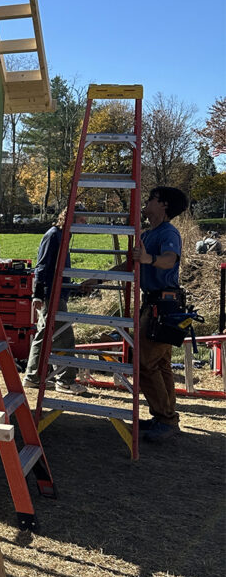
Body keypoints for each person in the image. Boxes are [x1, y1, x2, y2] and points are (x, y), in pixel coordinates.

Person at [127, 186, 189, 443]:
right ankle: (164, 416)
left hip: (163, 305)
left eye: (151, 199)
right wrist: (98, 277)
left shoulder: (168, 233)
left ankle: (165, 418)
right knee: (160, 364)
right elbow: (135, 261)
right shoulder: (149, 233)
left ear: (163, 205)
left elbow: (169, 260)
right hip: (156, 303)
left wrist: (148, 258)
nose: (146, 202)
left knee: (145, 362)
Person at [23, 211, 84, 394]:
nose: (85, 222)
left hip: (57, 293)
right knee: (65, 337)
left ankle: (33, 376)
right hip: (52, 294)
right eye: (82, 219)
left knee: (44, 334)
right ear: (70, 218)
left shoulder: (62, 235)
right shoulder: (53, 235)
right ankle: (65, 381)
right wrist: (38, 294)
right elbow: (42, 266)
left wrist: (72, 287)